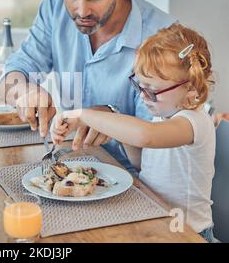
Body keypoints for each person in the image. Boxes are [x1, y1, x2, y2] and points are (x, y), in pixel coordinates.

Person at [0, 0, 176, 174]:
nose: (82, 11)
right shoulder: (55, 5)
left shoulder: (162, 38)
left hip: (134, 180)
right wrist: (24, 92)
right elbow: (10, 77)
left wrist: (112, 119)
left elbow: (154, 159)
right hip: (72, 164)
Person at [51, 23, 216, 242]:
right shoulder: (164, 113)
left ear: (191, 87)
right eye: (140, 87)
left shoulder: (194, 122)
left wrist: (84, 115)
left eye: (153, 91)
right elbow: (142, 164)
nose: (145, 97)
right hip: (157, 220)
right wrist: (119, 133)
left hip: (188, 233)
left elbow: (146, 135)